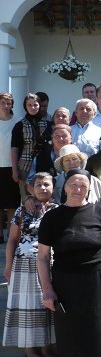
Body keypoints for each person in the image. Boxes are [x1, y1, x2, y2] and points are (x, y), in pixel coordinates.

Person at [37, 169, 101, 357]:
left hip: (97, 283)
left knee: (94, 332)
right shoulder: (52, 218)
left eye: (83, 185)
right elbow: (42, 257)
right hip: (65, 285)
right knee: (69, 335)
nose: (78, 189)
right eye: (73, 184)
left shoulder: (100, 212)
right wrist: (47, 290)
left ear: (89, 188)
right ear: (65, 187)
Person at [3, 173, 59, 357]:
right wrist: (8, 266)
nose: (43, 188)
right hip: (24, 265)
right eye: (38, 185)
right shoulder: (22, 210)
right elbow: (11, 240)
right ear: (31, 188)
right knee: (27, 308)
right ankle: (29, 348)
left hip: (50, 265)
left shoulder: (58, 210)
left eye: (46, 184)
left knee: (45, 307)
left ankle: (46, 347)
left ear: (53, 187)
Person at [11, 93, 50, 197]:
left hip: (44, 164)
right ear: (25, 106)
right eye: (29, 105)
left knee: (43, 194)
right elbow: (14, 148)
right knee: (26, 197)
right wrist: (14, 170)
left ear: (39, 105)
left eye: (35, 105)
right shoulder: (19, 125)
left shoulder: (47, 123)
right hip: (25, 166)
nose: (33, 107)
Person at [0, 92, 21, 243]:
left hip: (11, 166)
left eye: (8, 103)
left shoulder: (18, 121)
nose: (6, 106)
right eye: (2, 102)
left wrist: (16, 169)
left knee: (12, 202)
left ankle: (11, 236)